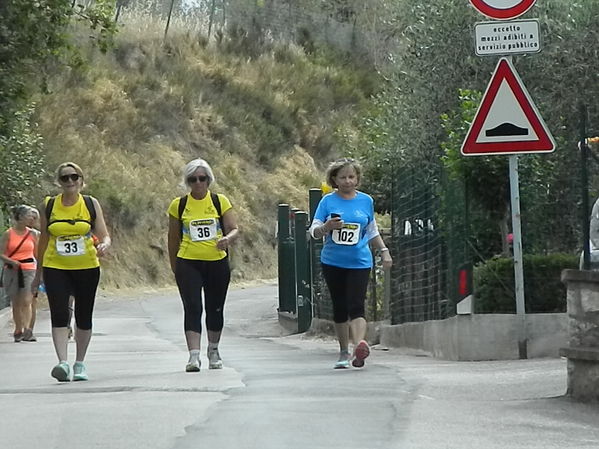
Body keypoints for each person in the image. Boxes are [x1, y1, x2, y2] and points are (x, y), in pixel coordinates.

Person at [309, 158, 392, 369]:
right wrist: (326, 227)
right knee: (339, 307)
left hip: (360, 261)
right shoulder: (327, 201)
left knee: (357, 305)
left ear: (357, 179)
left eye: (351, 177)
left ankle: (359, 346)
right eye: (343, 177)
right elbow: (314, 230)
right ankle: (344, 352)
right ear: (334, 179)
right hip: (333, 261)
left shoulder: (366, 201)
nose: (348, 181)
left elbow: (371, 230)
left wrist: (384, 251)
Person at [33, 162, 111, 382]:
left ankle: (80, 364)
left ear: (81, 180)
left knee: (83, 315)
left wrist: (104, 244)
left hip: (86, 266)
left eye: (74, 177)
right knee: (59, 313)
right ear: (59, 181)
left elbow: (104, 234)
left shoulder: (90, 203)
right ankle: (62, 363)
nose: (70, 182)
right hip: (56, 266)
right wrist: (38, 274)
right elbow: (43, 240)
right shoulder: (49, 205)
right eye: (65, 178)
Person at [167, 158, 239, 372]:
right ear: (187, 182)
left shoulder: (220, 201)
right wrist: (175, 265)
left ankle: (214, 349)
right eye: (193, 179)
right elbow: (172, 238)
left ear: (209, 180)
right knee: (192, 307)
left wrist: (228, 239)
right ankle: (193, 355)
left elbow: (234, 228)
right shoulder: (178, 205)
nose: (198, 183)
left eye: (202, 179)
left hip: (216, 262)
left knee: (215, 307)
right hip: (188, 262)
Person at [0, 205, 40, 342]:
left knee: (27, 300)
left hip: (29, 269)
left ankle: (28, 329)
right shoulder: (8, 234)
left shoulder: (33, 234)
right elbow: (1, 253)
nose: (31, 218)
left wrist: (41, 270)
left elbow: (37, 254)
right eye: (28, 215)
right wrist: (11, 262)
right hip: (12, 270)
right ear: (20, 217)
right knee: (16, 301)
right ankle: (18, 329)